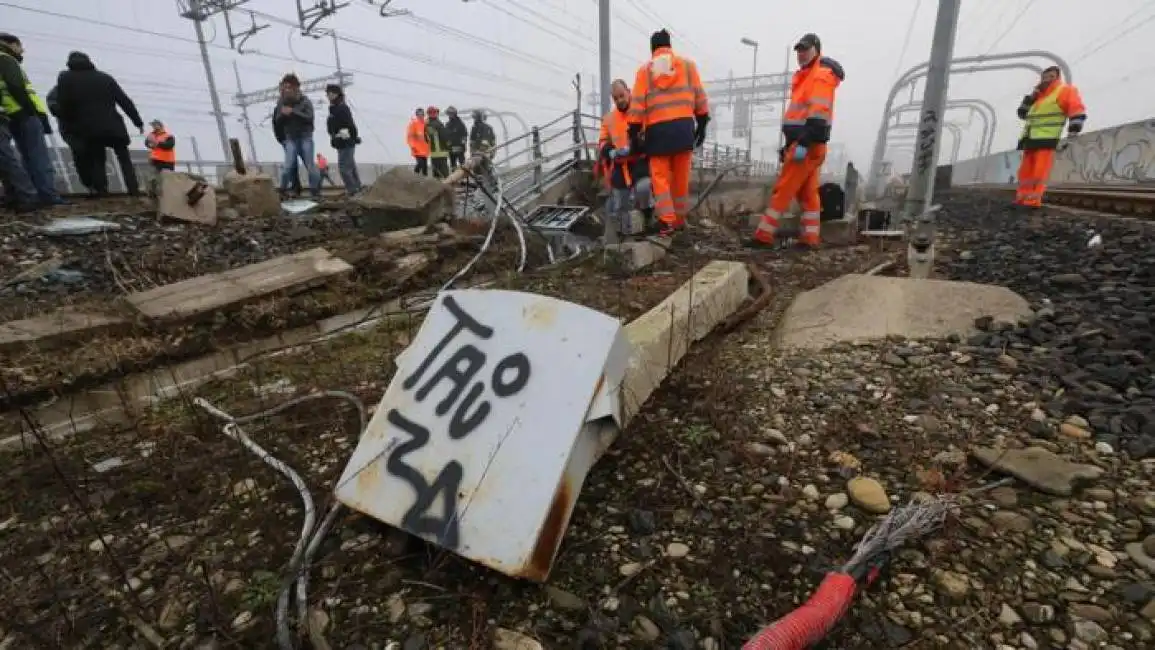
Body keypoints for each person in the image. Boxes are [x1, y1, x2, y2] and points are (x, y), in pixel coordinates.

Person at [751, 33, 844, 248]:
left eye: (805, 49)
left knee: (783, 189)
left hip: (807, 144)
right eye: (799, 50)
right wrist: (789, 143)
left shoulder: (820, 75)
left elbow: (818, 115)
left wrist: (802, 142)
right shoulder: (806, 76)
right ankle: (810, 237)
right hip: (807, 144)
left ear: (816, 50)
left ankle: (763, 236)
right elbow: (799, 115)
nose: (801, 54)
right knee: (808, 193)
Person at [627, 29, 709, 238]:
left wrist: (635, 133)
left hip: (658, 132)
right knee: (681, 177)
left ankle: (667, 221)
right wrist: (702, 122)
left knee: (660, 179)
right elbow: (700, 97)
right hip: (683, 130)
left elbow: (636, 105)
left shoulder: (645, 72)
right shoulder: (688, 67)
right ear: (669, 46)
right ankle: (679, 220)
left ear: (653, 48)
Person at [53, 51, 144, 197]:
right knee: (124, 159)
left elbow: (64, 103)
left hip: (89, 128)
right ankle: (133, 189)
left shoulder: (66, 78)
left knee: (97, 159)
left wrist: (70, 124)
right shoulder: (105, 78)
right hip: (114, 125)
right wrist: (137, 121)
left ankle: (102, 191)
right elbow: (124, 100)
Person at [0, 33, 65, 206]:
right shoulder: (6, 59)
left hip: (9, 113)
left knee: (24, 157)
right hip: (24, 113)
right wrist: (31, 111)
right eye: (19, 46)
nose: (22, 50)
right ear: (9, 44)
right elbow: (16, 86)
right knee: (37, 157)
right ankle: (48, 196)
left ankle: (32, 194)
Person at [1014, 66, 1086, 209]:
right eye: (1045, 77)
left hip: (1046, 138)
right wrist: (1031, 97)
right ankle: (1022, 199)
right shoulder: (1038, 97)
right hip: (1029, 139)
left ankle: (1033, 201)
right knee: (1025, 173)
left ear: (1057, 77)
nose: (1047, 80)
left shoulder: (1065, 91)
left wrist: (1073, 131)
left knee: (1039, 172)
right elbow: (1022, 113)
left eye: (1051, 77)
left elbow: (1076, 109)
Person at [599, 79, 652, 238]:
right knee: (618, 204)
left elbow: (651, 136)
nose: (620, 100)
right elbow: (602, 142)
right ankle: (622, 236)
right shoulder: (609, 119)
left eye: (622, 96)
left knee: (644, 190)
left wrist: (635, 147)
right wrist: (611, 152)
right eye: (616, 98)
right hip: (620, 168)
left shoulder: (642, 112)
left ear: (628, 92)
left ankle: (648, 222)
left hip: (640, 162)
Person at [272, 73, 320, 199]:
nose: (287, 90)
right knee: (288, 166)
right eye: (285, 87)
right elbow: (277, 121)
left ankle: (315, 192)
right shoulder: (282, 102)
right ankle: (282, 190)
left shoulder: (305, 101)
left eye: (289, 87)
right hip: (290, 138)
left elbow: (309, 118)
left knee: (310, 165)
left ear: (296, 88)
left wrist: (293, 112)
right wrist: (283, 114)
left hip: (305, 137)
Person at [45, 84, 94, 194]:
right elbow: (53, 105)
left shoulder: (87, 86)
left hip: (89, 128)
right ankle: (89, 184)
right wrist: (68, 114)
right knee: (80, 154)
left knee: (94, 156)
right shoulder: (59, 89)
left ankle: (98, 185)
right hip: (71, 129)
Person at [325, 83, 361, 195]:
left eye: (330, 93)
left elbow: (349, 125)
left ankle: (353, 190)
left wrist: (351, 137)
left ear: (336, 94)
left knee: (344, 169)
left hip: (346, 142)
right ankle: (357, 188)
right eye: (327, 94)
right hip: (342, 143)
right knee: (350, 166)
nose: (328, 96)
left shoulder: (342, 108)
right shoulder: (334, 109)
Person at [424, 105, 450, 179]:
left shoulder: (427, 124)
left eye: (434, 112)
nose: (433, 114)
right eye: (432, 112)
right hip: (441, 151)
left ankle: (438, 186)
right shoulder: (438, 124)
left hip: (434, 152)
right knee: (444, 172)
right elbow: (444, 137)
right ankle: (447, 186)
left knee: (436, 173)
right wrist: (448, 146)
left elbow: (425, 138)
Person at [407, 107, 429, 176]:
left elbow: (428, 136)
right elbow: (410, 136)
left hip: (425, 150)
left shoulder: (426, 123)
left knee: (425, 167)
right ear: (416, 115)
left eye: (422, 114)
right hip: (416, 149)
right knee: (420, 164)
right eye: (419, 114)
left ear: (424, 115)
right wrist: (412, 145)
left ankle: (425, 181)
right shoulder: (413, 124)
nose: (420, 115)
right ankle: (414, 176)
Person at [445, 106, 468, 170]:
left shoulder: (460, 124)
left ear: (455, 114)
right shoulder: (447, 124)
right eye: (449, 113)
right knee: (453, 165)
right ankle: (454, 178)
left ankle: (465, 178)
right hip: (451, 148)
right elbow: (445, 136)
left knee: (463, 165)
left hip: (459, 148)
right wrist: (447, 144)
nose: (450, 115)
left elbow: (465, 135)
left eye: (451, 113)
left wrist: (462, 145)